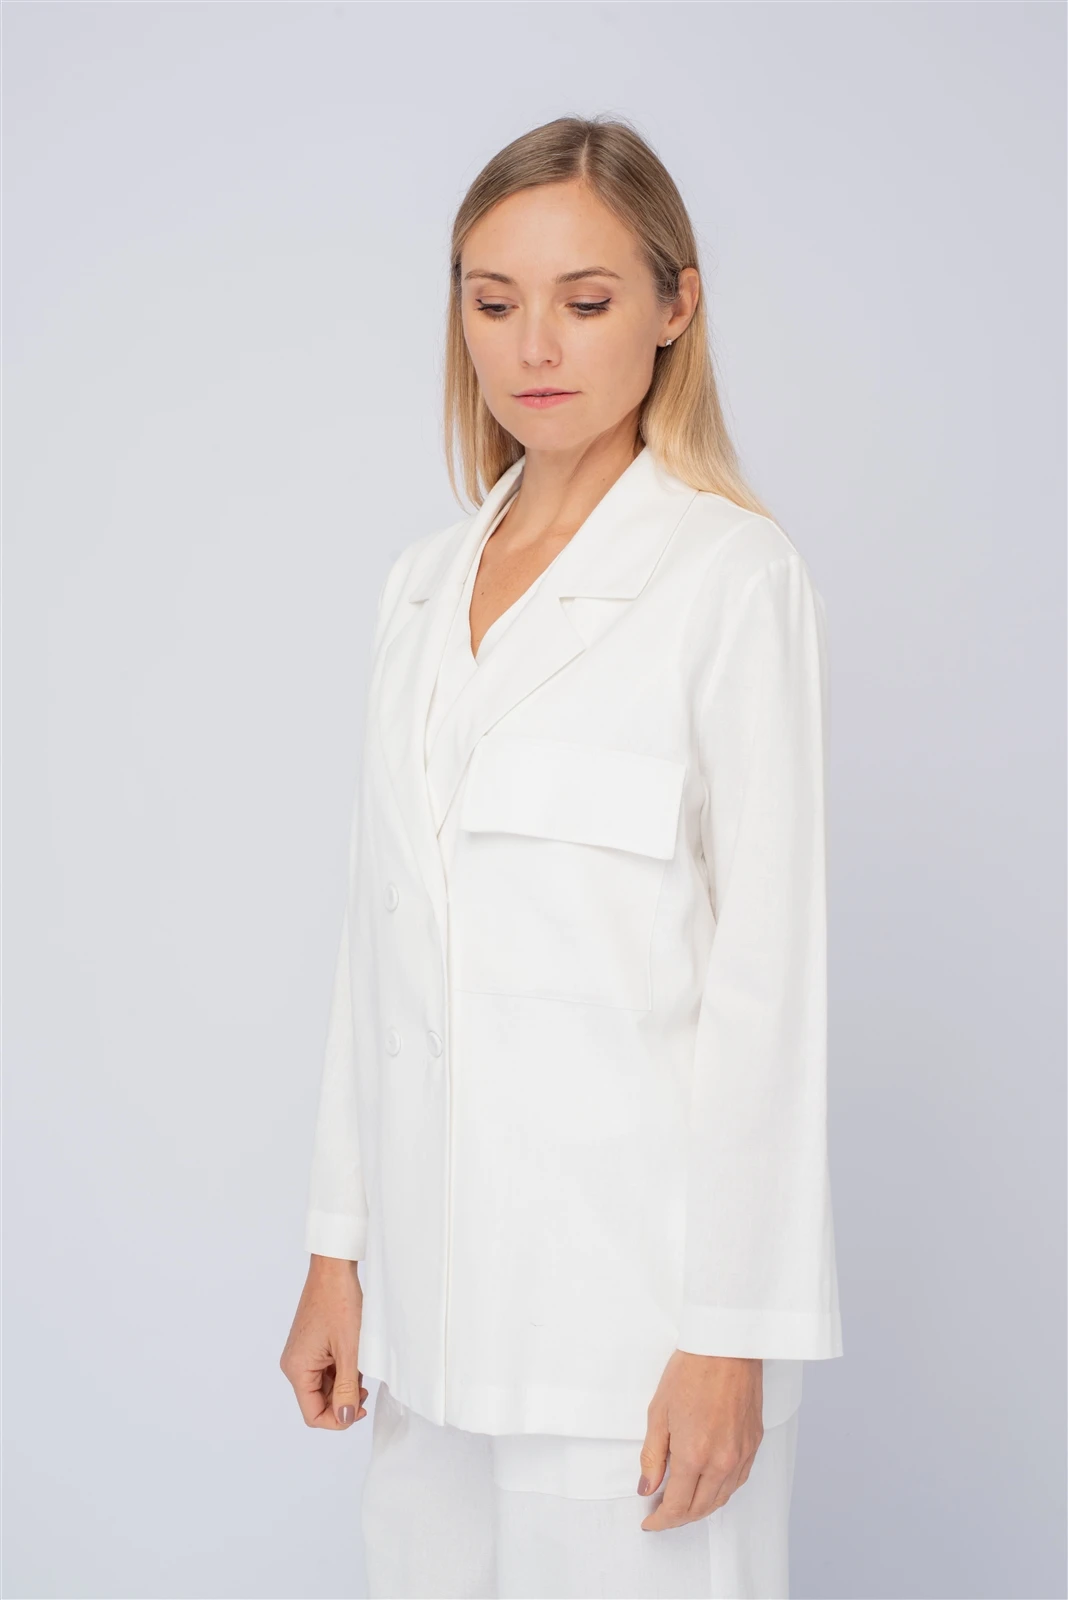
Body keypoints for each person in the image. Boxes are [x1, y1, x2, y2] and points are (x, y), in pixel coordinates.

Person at [280, 113, 843, 1600]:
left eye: (586, 300)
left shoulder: (729, 580)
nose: (534, 344)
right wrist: (337, 1249)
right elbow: (378, 946)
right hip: (430, 1327)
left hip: (633, 1337)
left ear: (674, 306)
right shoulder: (419, 589)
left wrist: (732, 1334)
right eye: (494, 299)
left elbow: (769, 987)